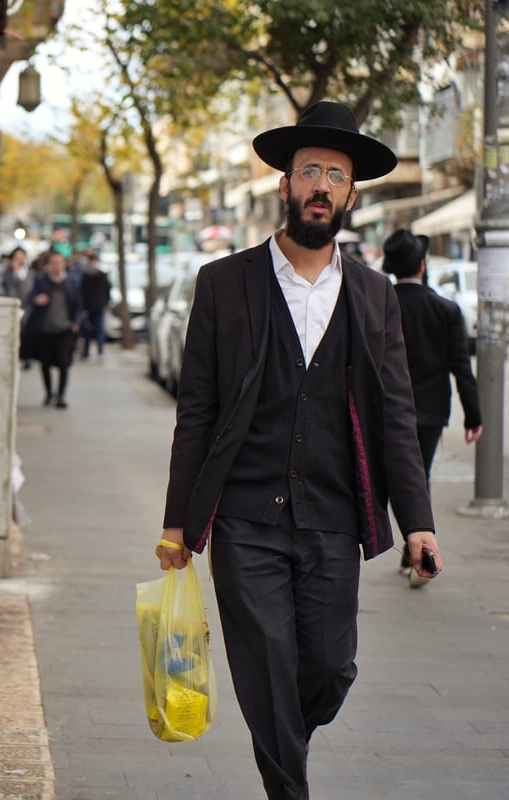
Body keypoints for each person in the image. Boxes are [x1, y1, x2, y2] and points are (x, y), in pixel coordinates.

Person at [154, 101, 440, 800]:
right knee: (267, 660)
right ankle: (290, 789)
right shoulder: (224, 283)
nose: (320, 184)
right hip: (246, 518)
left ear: (349, 194)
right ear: (285, 184)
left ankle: (282, 731)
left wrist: (420, 522)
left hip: (335, 519)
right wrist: (177, 522)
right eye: (308, 169)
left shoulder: (375, 298)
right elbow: (196, 410)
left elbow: (397, 417)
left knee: (329, 667)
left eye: (334, 175)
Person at [381, 229, 482, 586]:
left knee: (399, 478)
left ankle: (414, 544)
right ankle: (417, 544)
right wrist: (474, 415)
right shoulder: (446, 309)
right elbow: (460, 367)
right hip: (431, 411)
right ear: (423, 266)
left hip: (386, 411)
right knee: (417, 474)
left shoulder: (379, 303)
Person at [21, 251, 81, 408]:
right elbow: (29, 298)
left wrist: (75, 322)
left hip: (64, 329)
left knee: (63, 363)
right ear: (49, 265)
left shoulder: (71, 282)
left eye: (59, 262)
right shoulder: (42, 280)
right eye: (53, 262)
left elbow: (77, 304)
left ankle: (61, 396)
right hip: (45, 329)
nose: (56, 266)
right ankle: (48, 394)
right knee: (45, 363)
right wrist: (36, 299)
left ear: (64, 264)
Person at [79, 252, 111, 360]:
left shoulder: (101, 275)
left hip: (98, 307)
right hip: (89, 308)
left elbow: (107, 291)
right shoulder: (86, 276)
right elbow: (82, 292)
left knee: (98, 330)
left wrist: (105, 303)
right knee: (88, 331)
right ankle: (87, 352)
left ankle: (100, 351)